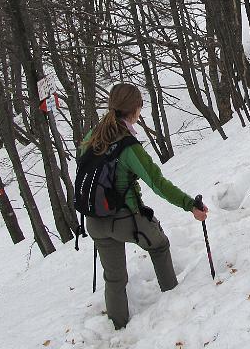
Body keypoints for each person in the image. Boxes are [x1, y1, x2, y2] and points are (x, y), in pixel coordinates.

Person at [79, 83, 208, 330]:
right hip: (125, 220)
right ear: (135, 109)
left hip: (94, 222)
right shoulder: (128, 147)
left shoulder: (90, 137)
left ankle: (117, 328)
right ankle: (174, 300)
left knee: (114, 278)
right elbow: (157, 183)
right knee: (159, 246)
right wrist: (190, 205)